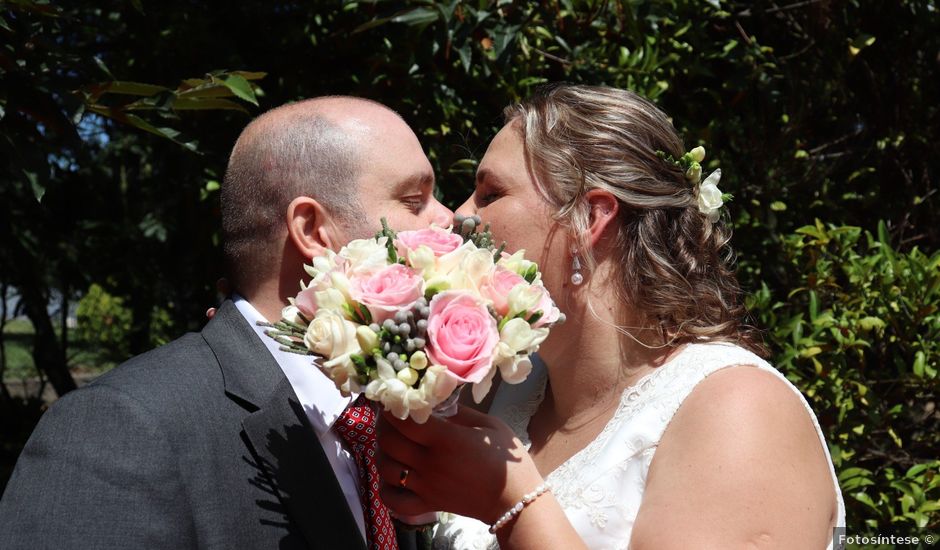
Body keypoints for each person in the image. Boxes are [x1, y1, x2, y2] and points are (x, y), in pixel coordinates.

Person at [375, 84, 846, 549]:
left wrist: (512, 505)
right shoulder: (498, 392)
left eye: (491, 193)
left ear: (589, 217)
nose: (459, 216)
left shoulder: (738, 410)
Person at [0, 96, 452, 549]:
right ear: (313, 230)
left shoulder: (386, 415)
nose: (451, 219)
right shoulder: (123, 429)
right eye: (415, 201)